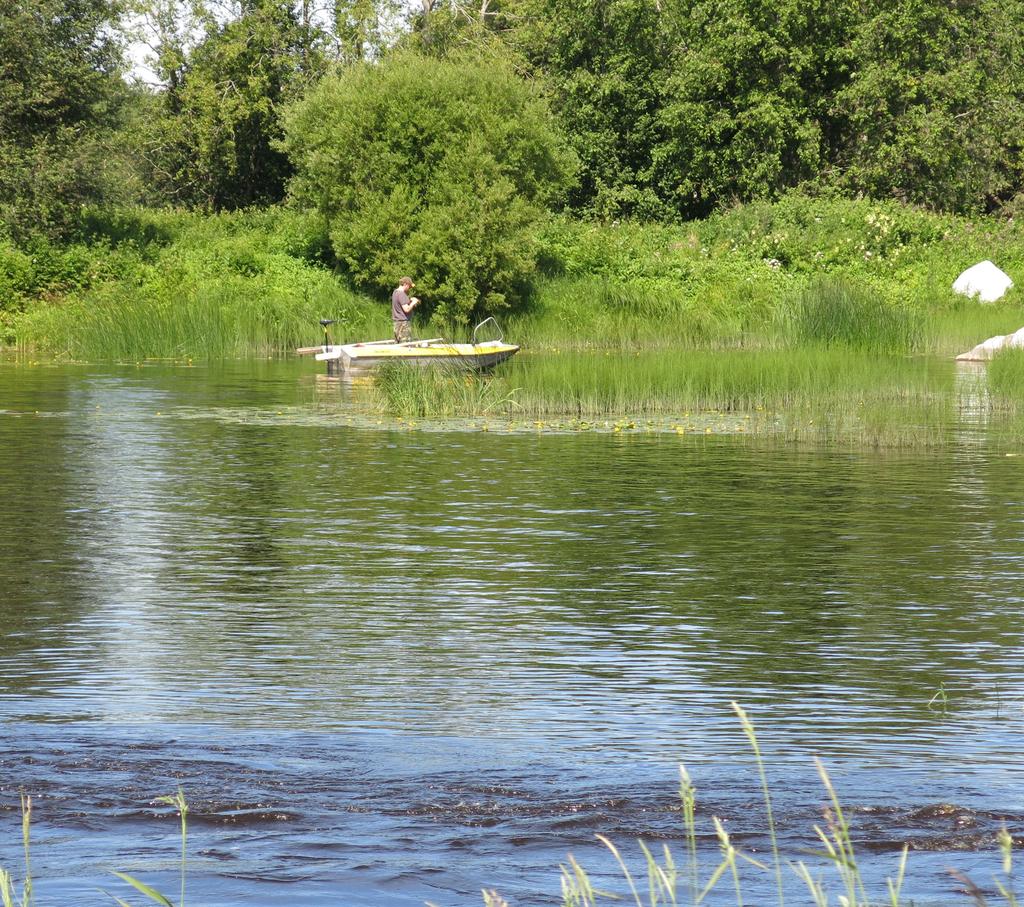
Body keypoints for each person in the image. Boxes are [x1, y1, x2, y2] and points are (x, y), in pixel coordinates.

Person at [391, 276, 420, 342]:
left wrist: (409, 301)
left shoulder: (395, 292)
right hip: (403, 324)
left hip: (397, 323)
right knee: (405, 345)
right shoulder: (402, 294)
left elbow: (400, 304)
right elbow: (406, 309)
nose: (410, 288)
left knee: (399, 344)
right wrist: (413, 302)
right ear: (405, 284)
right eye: (409, 286)